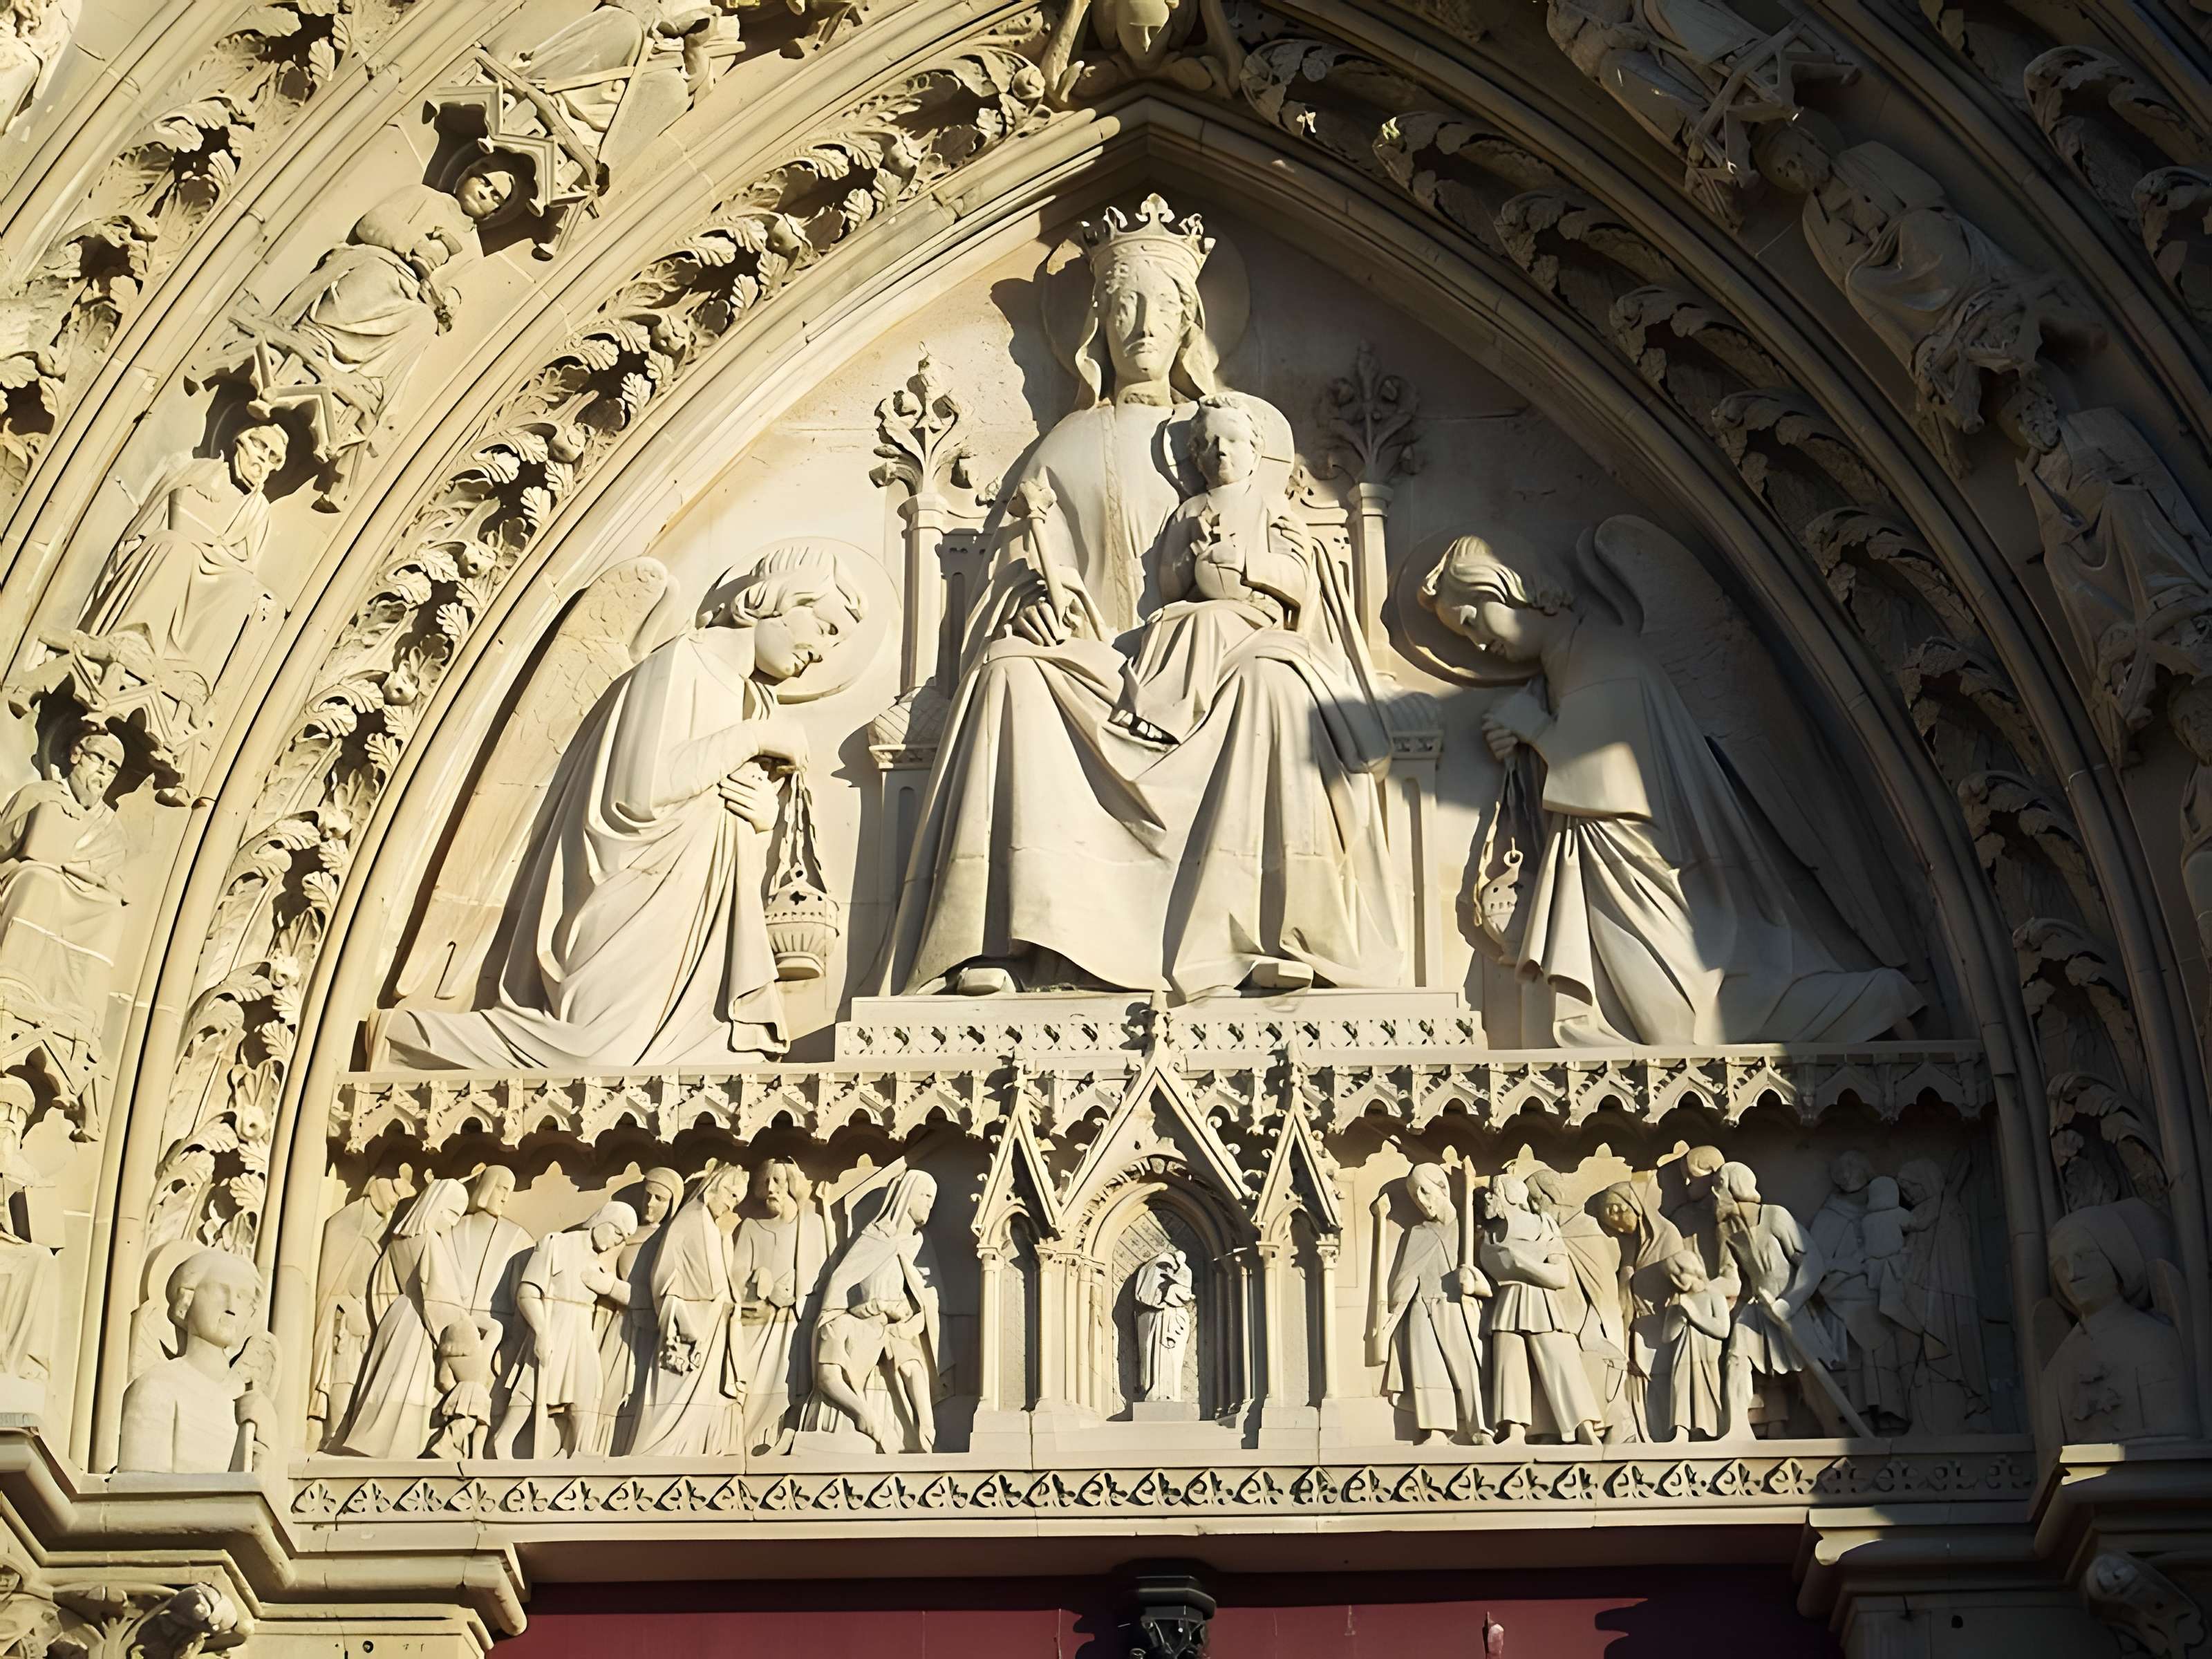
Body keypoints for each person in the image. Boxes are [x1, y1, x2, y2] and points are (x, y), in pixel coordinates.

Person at [885, 195, 1400, 1000]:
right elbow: (1014, 564)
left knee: (1275, 680)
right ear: (1095, 324)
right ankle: (998, 940)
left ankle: (1277, 934)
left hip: (1220, 667)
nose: (1140, 323)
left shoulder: (1236, 436)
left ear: (1191, 320)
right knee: (1009, 675)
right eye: (1121, 303)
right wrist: (1031, 603)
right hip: (1098, 670)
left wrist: (1252, 589)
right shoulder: (1064, 443)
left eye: (1161, 303)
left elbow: (1298, 573)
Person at [1421, 534, 1921, 1045]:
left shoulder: (1605, 659)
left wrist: (1536, 730)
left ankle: (1871, 1001)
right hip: (1611, 861)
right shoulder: (1566, 668)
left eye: (1471, 622)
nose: (1478, 645)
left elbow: (1613, 781)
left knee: (1684, 1026)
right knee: (1663, 1028)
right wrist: (1527, 746)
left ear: (1508, 588)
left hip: (1646, 864)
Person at [375, 545, 861, 1069]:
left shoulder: (746, 697)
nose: (822, 652)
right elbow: (643, 789)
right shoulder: (680, 665)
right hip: (632, 898)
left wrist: (761, 819)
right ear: (780, 599)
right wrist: (756, 737)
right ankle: (405, 1038)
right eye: (826, 627)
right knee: (594, 1055)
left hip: (695, 919)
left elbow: (713, 813)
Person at [73, 424, 288, 695]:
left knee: (241, 586)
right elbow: (157, 519)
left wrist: (216, 553)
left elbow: (247, 561)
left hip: (218, 568)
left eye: (272, 457)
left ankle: (192, 674)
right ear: (242, 441)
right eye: (260, 446)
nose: (261, 459)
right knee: (176, 546)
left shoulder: (258, 510)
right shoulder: (201, 470)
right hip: (173, 547)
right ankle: (136, 636)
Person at [0, 729, 129, 1059]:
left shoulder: (110, 826)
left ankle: (76, 1007)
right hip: (31, 877)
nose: (104, 771)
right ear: (76, 755)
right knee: (39, 879)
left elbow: (109, 878)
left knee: (110, 913)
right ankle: (14, 981)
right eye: (99, 758)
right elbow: (4, 844)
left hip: (83, 895)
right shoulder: (41, 794)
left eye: (113, 767)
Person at [801, 1171, 939, 1453]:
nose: (929, 1204)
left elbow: (913, 1367)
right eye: (925, 1195)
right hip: (846, 1419)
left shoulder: (915, 1246)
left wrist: (927, 1421)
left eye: (932, 1198)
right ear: (907, 1196)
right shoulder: (876, 1238)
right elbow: (841, 1281)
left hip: (886, 1371)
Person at [335, 1179, 471, 1458]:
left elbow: (379, 1288)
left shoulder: (398, 1240)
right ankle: (390, 1449)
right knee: (405, 1386)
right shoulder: (429, 1240)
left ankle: (373, 1441)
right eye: (451, 1213)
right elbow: (439, 1298)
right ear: (435, 1206)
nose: (453, 1223)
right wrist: (459, 1338)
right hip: (418, 1324)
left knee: (386, 1379)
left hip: (396, 1317)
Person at [118, 1250, 269, 1474]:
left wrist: (266, 1445)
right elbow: (140, 1493)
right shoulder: (158, 1386)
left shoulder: (252, 1398)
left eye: (242, 1297)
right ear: (186, 1300)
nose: (232, 1307)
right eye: (221, 1290)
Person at [632, 1166, 747, 1457]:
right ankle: (654, 1455)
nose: (731, 1205)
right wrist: (684, 1319)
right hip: (684, 1329)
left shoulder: (709, 1224)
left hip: (711, 1327)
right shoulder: (691, 1220)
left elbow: (719, 1282)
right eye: (731, 1195)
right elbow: (665, 1276)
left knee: (700, 1404)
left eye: (737, 1200)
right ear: (714, 1187)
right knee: (670, 1402)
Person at [1480, 1174, 1602, 1444]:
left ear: (1510, 1196)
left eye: (1494, 1192)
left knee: (1560, 1359)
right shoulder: (1490, 1234)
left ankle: (1583, 1426)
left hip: (1542, 1301)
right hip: (1507, 1302)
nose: (1489, 1198)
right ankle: (1514, 1430)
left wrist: (1522, 1263)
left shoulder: (1542, 1224)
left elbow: (1561, 1277)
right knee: (1508, 1363)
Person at [509, 1203, 636, 1459]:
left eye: (622, 1239)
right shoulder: (556, 1243)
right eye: (617, 1233)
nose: (615, 1243)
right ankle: (503, 1441)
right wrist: (542, 1332)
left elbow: (632, 1298)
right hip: (555, 1324)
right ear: (604, 1220)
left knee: (590, 1386)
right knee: (533, 1386)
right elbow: (528, 1292)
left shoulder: (598, 1263)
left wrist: (609, 1285)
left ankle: (579, 1450)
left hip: (581, 1329)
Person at [1374, 1163, 1488, 1444]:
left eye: (1425, 1192)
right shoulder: (1416, 1234)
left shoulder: (1468, 1226)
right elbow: (1404, 1280)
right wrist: (1393, 1312)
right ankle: (1437, 1429)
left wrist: (1476, 1283)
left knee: (1469, 1365)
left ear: (1443, 1187)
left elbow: (1493, 1274)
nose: (1422, 1202)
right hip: (1421, 1307)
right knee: (1429, 1368)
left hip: (1455, 1305)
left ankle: (1479, 1428)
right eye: (1415, 1197)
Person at [729, 1158, 828, 1455]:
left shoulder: (811, 1226)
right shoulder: (751, 1227)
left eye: (778, 1181)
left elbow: (823, 1278)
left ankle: (776, 1445)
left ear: (792, 1185)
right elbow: (735, 1279)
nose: (770, 1188)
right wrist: (763, 1284)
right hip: (756, 1326)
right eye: (767, 1182)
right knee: (754, 1392)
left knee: (786, 1392)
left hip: (794, 1325)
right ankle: (742, 1446)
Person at [594, 1167, 682, 1455]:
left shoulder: (670, 1241)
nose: (651, 1204)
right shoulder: (626, 1233)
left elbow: (664, 1294)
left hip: (651, 1332)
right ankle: (598, 1452)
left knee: (640, 1397)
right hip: (616, 1326)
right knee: (605, 1394)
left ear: (672, 1206)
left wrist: (612, 1288)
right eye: (647, 1196)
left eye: (660, 1199)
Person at [1658, 1249, 1731, 1441]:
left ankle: (1708, 1430)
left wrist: (1694, 1315)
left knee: (1706, 1390)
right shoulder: (1677, 1301)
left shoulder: (1714, 1295)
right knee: (1680, 1387)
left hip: (1707, 1357)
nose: (1675, 1281)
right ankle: (1681, 1430)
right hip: (1682, 1357)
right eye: (1670, 1277)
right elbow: (1667, 1336)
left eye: (1677, 1274)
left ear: (1692, 1270)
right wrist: (1680, 1318)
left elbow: (1723, 1329)